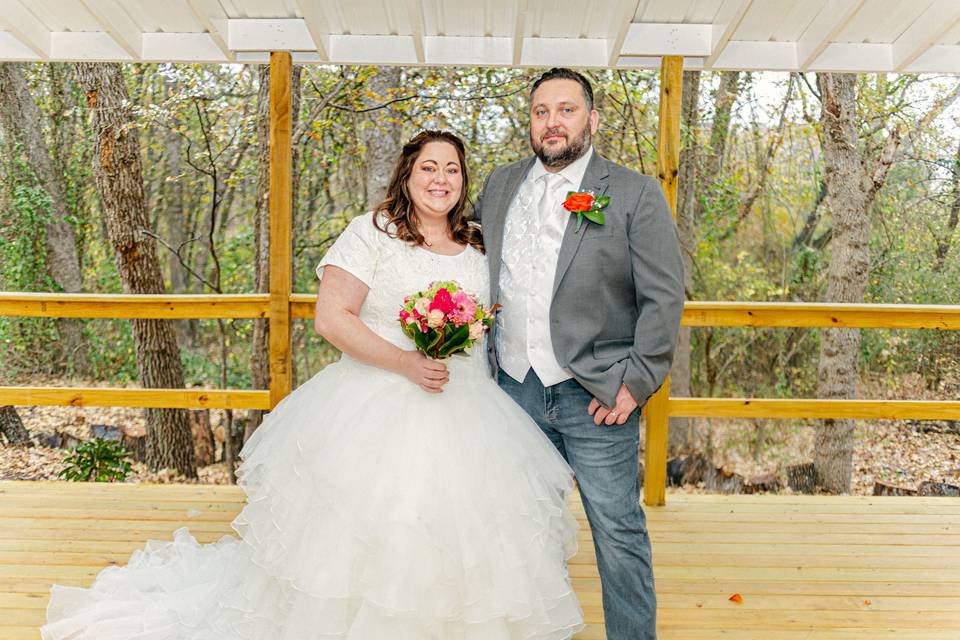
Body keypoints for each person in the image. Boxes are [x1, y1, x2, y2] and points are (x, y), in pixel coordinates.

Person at [41, 130, 584, 640]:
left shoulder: (478, 244)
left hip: (469, 404)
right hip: (381, 400)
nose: (440, 179)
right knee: (386, 522)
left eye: (452, 170)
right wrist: (405, 362)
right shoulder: (372, 232)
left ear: (464, 182)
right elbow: (332, 318)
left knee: (468, 529)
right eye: (428, 167)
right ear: (407, 175)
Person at [475, 68, 685, 640]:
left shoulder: (635, 192)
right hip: (511, 389)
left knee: (617, 532)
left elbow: (664, 296)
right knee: (519, 530)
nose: (552, 122)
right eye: (542, 111)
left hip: (594, 393)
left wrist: (637, 381)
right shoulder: (498, 186)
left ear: (591, 120)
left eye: (566, 110)